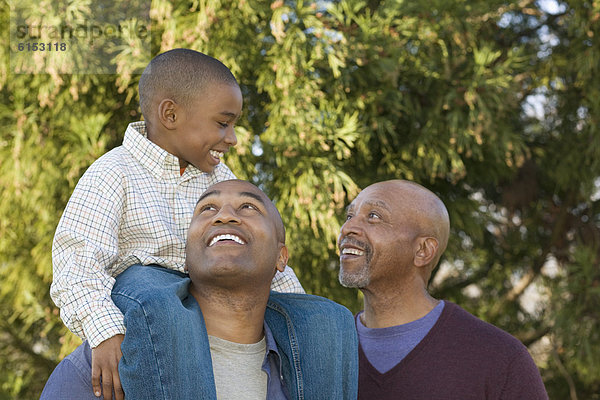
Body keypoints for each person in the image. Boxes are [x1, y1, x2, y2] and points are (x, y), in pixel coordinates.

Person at [51, 49, 303, 400]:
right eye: (222, 122)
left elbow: (258, 245)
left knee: (323, 317)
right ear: (170, 114)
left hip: (203, 298)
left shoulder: (218, 179)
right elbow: (76, 263)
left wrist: (298, 308)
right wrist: (104, 331)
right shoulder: (114, 172)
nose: (232, 138)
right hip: (145, 299)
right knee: (161, 296)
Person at [42, 180, 358, 399]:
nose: (224, 215)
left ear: (281, 257)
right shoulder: (107, 367)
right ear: (187, 258)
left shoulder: (316, 363)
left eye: (249, 207)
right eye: (207, 209)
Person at [337, 179, 549, 399]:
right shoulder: (323, 353)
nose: (347, 228)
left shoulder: (500, 359)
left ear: (423, 250)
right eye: (350, 216)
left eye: (374, 216)